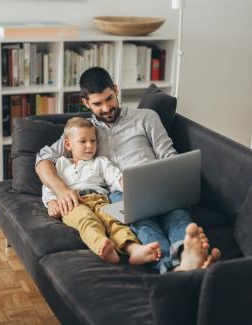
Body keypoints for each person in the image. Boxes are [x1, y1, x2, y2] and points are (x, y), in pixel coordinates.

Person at [36, 67, 220, 273]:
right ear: (86, 103)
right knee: (142, 225)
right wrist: (61, 190)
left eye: (109, 98)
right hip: (121, 192)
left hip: (159, 182)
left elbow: (168, 154)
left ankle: (188, 252)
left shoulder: (146, 117)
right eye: (97, 104)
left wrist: (174, 180)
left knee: (177, 216)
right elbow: (43, 160)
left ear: (116, 90)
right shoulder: (85, 131)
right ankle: (173, 266)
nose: (106, 108)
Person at [42, 117, 161, 265]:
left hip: (100, 199)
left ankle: (134, 249)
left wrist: (128, 185)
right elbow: (49, 186)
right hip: (73, 203)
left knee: (114, 221)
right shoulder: (60, 164)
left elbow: (115, 177)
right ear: (68, 144)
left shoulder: (101, 162)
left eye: (93, 141)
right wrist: (51, 202)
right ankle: (102, 246)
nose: (89, 146)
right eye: (83, 141)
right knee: (86, 220)